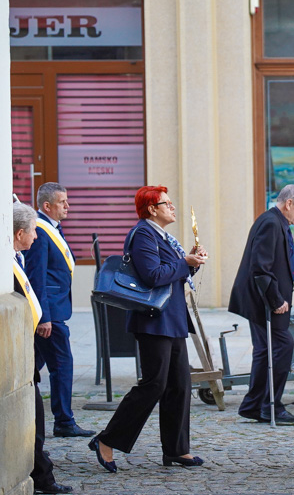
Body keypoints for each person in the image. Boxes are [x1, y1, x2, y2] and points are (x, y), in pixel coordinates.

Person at [88, 186, 207, 472]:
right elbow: (152, 276)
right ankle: (106, 440)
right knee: (154, 384)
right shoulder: (143, 234)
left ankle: (177, 450)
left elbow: (173, 273)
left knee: (180, 385)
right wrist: (184, 262)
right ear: (152, 209)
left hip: (172, 318)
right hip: (154, 320)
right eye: (167, 203)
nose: (173, 207)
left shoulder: (161, 235)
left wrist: (192, 263)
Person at [229, 184, 294, 425]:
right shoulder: (271, 223)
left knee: (266, 351)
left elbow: (274, 259)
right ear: (289, 204)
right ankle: (270, 406)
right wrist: (276, 301)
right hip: (264, 300)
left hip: (263, 297)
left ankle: (254, 405)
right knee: (284, 345)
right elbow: (260, 267)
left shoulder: (277, 221)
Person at [23, 182, 93, 438]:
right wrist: (44, 317)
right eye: (63, 202)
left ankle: (37, 415)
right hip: (49, 314)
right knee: (62, 365)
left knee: (31, 368)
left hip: (54, 309)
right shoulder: (40, 231)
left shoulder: (51, 227)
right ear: (47, 206)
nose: (68, 206)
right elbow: (36, 276)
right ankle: (64, 421)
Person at [12, 201, 72, 495]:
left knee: (36, 415)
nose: (36, 237)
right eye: (33, 231)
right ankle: (41, 476)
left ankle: (41, 473)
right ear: (20, 232)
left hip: (27, 345)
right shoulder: (11, 261)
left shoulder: (16, 257)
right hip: (24, 345)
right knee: (35, 417)